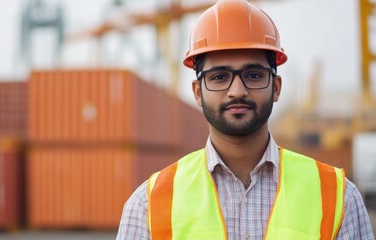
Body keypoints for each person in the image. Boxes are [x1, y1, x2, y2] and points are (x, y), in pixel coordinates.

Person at [116, 0, 375, 239]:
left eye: (253, 75)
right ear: (197, 92)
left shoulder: (339, 198)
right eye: (219, 76)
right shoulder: (149, 205)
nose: (237, 91)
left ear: (276, 87)